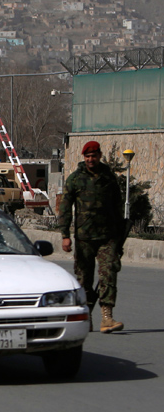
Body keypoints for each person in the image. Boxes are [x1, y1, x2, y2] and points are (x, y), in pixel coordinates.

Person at [59, 141, 126, 333]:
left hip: (107, 236)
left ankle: (107, 317)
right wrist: (65, 235)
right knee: (84, 279)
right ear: (84, 157)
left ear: (99, 155)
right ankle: (85, 317)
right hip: (84, 237)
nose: (91, 159)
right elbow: (65, 208)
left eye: (94, 156)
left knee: (108, 274)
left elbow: (117, 207)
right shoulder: (75, 179)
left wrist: (120, 236)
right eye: (87, 156)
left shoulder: (108, 177)